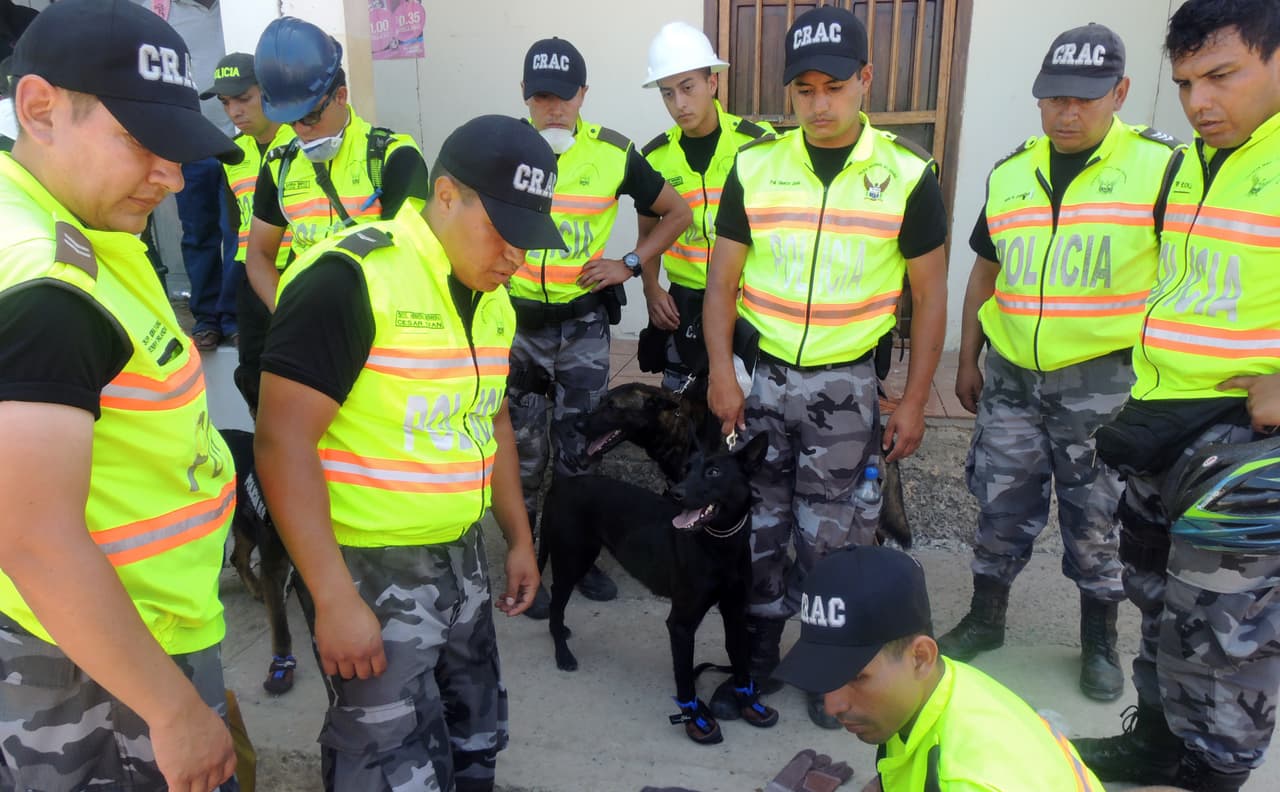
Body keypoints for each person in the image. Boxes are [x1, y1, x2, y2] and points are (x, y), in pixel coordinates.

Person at [254, 114, 556, 792]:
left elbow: (493, 418)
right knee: (385, 755)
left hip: (458, 555)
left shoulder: (491, 299)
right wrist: (332, 598)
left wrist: (516, 536)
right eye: (502, 231)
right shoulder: (349, 277)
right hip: (366, 567)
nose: (515, 256)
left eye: (527, 240)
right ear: (445, 195)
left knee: (472, 732)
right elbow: (281, 442)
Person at [0, 1, 245, 789]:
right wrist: (171, 710)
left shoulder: (72, 222)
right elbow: (33, 537)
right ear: (40, 110)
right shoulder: (47, 283)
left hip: (117, 638)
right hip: (93, 668)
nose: (171, 177)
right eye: (142, 142)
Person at [702, 4, 948, 729]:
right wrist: (722, 369)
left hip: (847, 388)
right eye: (803, 88)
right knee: (762, 528)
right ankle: (760, 661)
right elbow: (721, 282)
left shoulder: (907, 175)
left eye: (833, 86)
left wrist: (913, 400)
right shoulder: (755, 167)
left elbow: (930, 298)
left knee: (834, 540)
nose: (818, 103)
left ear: (864, 80)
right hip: (767, 379)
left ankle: (828, 668)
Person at [938, 23, 1184, 703]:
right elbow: (985, 270)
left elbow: (1187, 276)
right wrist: (971, 352)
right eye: (1054, 99)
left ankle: (1099, 643)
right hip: (1013, 377)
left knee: (1097, 519)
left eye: (1085, 98)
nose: (1067, 113)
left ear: (1120, 93)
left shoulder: (1162, 169)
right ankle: (987, 619)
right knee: (1000, 502)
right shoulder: (1013, 171)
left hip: (1103, 382)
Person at [1074, 1, 1280, 789]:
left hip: (1245, 448)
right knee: (1163, 611)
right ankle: (1159, 742)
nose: (1199, 102)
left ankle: (1216, 772)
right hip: (1165, 430)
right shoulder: (1193, 160)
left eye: (1222, 76)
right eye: (1187, 80)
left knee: (1226, 641)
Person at [510, 36, 691, 614]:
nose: (554, 108)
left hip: (583, 328)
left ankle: (574, 556)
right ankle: (523, 558)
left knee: (581, 447)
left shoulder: (613, 153)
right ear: (525, 96)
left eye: (564, 96)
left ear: (583, 94)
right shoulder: (502, 148)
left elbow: (678, 212)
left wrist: (632, 264)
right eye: (542, 97)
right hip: (514, 330)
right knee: (521, 451)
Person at [773, 546, 1104, 791]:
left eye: (857, 677)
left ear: (920, 657)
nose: (832, 705)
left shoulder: (965, 780)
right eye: (825, 675)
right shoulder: (945, 686)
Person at [245, 16, 428, 312]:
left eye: (310, 116)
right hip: (306, 319)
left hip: (379, 322)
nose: (300, 130)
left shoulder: (394, 157)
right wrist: (287, 314)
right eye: (290, 121)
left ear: (340, 96)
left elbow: (414, 258)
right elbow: (260, 256)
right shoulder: (279, 163)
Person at [637, 21, 771, 391]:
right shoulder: (656, 157)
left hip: (749, 303)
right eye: (667, 93)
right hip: (685, 305)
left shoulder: (757, 148)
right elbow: (647, 236)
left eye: (687, 88)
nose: (678, 104)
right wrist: (651, 290)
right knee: (683, 412)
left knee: (751, 409)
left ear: (712, 83)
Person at [139, 0, 240, 350]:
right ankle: (207, 319)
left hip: (240, 142)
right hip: (192, 142)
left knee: (237, 233)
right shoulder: (159, 9)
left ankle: (234, 318)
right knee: (199, 233)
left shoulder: (241, 9)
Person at [204, 51, 295, 417]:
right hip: (250, 276)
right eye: (226, 103)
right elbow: (235, 224)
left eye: (244, 98)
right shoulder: (232, 154)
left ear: (268, 92)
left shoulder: (300, 140)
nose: (234, 111)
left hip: (298, 269)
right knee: (254, 373)